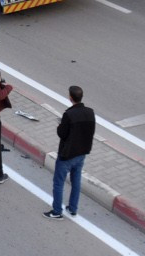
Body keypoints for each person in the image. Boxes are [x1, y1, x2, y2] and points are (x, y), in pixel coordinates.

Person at [45, 85, 96, 219]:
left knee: (58, 183)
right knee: (76, 181)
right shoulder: (90, 112)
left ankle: (57, 211)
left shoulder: (69, 114)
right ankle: (73, 208)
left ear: (70, 97)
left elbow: (62, 133)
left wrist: (60, 125)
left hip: (67, 155)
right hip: (82, 153)